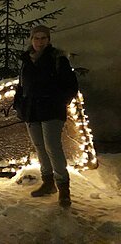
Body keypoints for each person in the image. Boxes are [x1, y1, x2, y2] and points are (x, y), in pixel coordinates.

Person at [14, 25, 78, 208]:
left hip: (51, 110)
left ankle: (64, 188)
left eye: (43, 38)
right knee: (40, 147)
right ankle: (48, 183)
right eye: (36, 38)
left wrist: (58, 101)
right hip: (31, 111)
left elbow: (71, 86)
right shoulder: (26, 60)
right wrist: (19, 104)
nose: (39, 42)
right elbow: (21, 86)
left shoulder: (57, 59)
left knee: (53, 147)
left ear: (48, 40)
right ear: (31, 40)